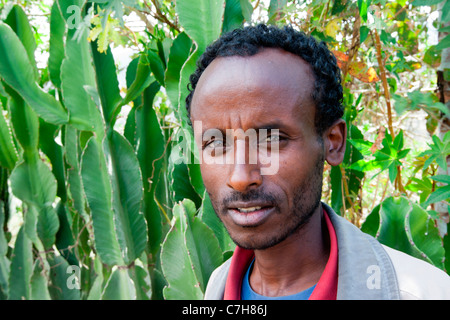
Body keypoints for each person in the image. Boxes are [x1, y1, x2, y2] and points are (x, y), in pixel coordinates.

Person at [185, 24, 450, 300]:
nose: (240, 177)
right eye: (216, 143)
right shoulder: (218, 285)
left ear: (333, 142)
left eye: (272, 139)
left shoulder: (424, 292)